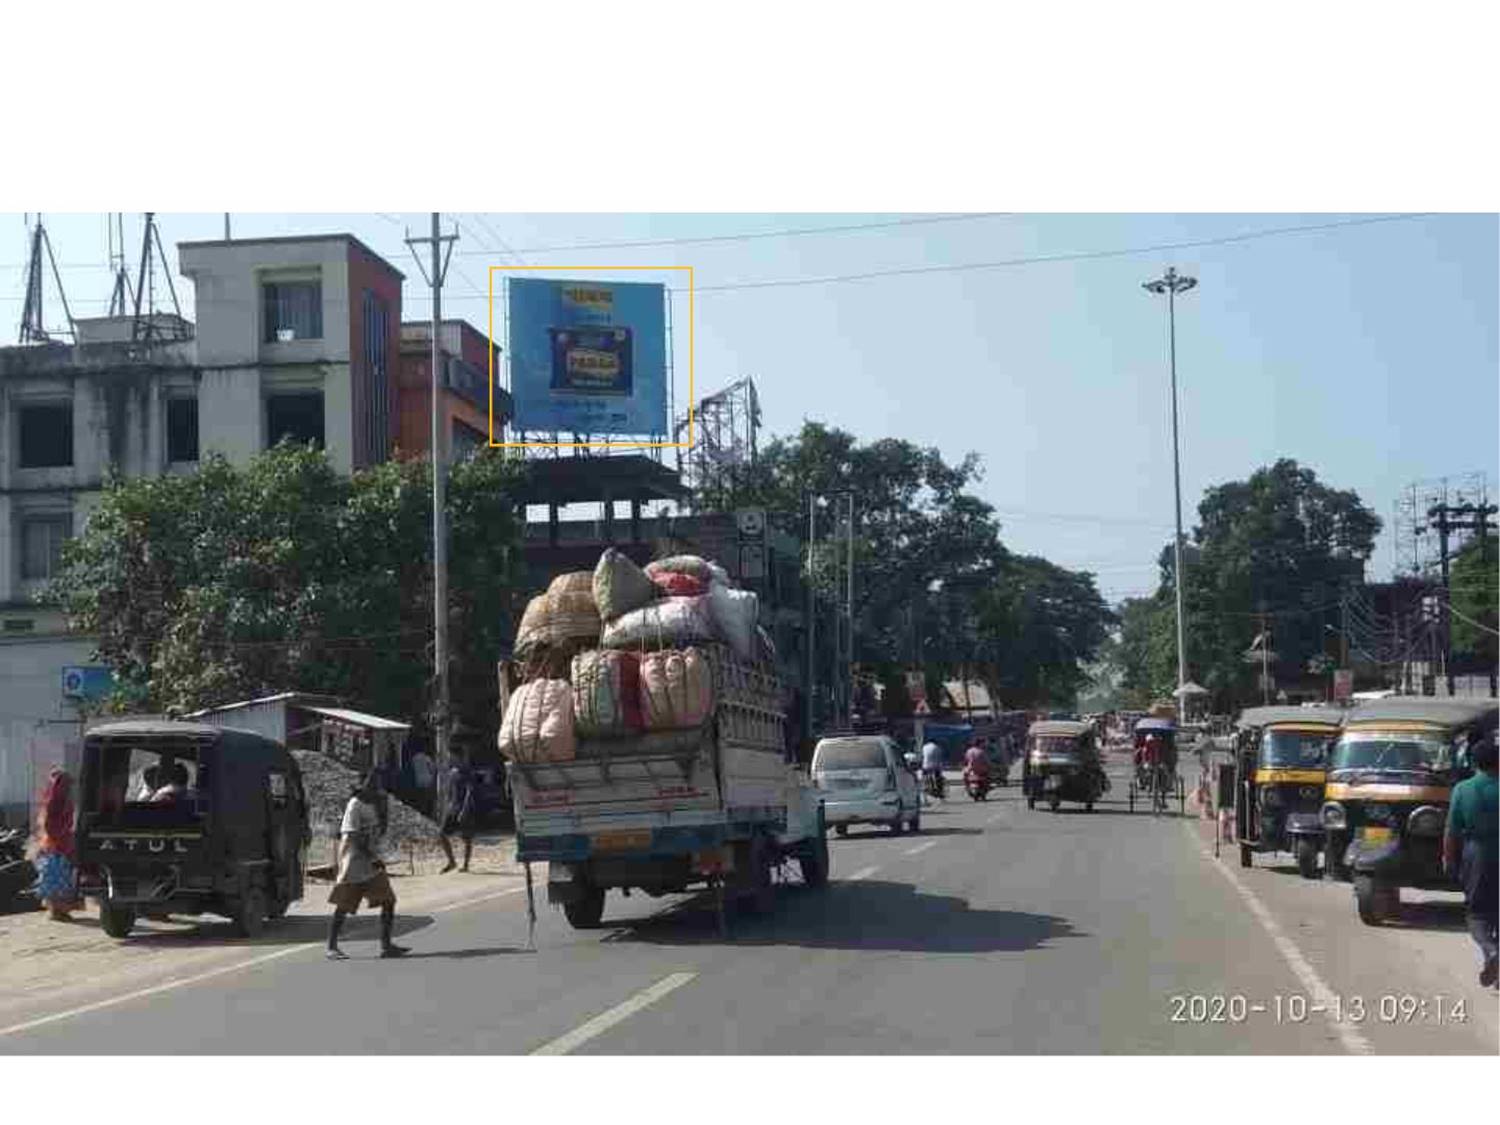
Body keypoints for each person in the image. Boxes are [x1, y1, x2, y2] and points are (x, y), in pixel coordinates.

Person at [326, 772, 409, 960]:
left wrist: (384, 808)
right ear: (362, 785)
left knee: (388, 900)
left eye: (377, 785)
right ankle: (331, 947)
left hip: (371, 862)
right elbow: (353, 837)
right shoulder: (355, 805)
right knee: (343, 905)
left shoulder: (375, 804)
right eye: (371, 784)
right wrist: (372, 858)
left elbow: (380, 831)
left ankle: (386, 946)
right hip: (353, 862)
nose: (375, 788)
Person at [1444, 732, 1498, 988]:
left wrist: (1449, 859)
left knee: (1477, 914)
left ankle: (1491, 950)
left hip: (1477, 855)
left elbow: (1451, 831)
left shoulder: (1463, 789)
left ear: (1474, 763)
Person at [33, 768, 80, 922]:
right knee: (56, 878)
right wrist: (56, 838)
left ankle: (61, 910)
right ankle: (56, 911)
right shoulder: (54, 801)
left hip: (64, 842)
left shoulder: (64, 800)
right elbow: (48, 824)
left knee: (64, 877)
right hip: (56, 845)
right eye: (66, 784)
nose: (69, 788)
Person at [438, 762, 477, 874]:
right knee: (442, 834)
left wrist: (464, 810)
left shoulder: (467, 772)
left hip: (465, 808)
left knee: (467, 837)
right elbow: (450, 792)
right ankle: (452, 862)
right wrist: (448, 806)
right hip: (453, 808)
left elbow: (469, 792)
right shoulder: (452, 772)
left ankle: (466, 865)